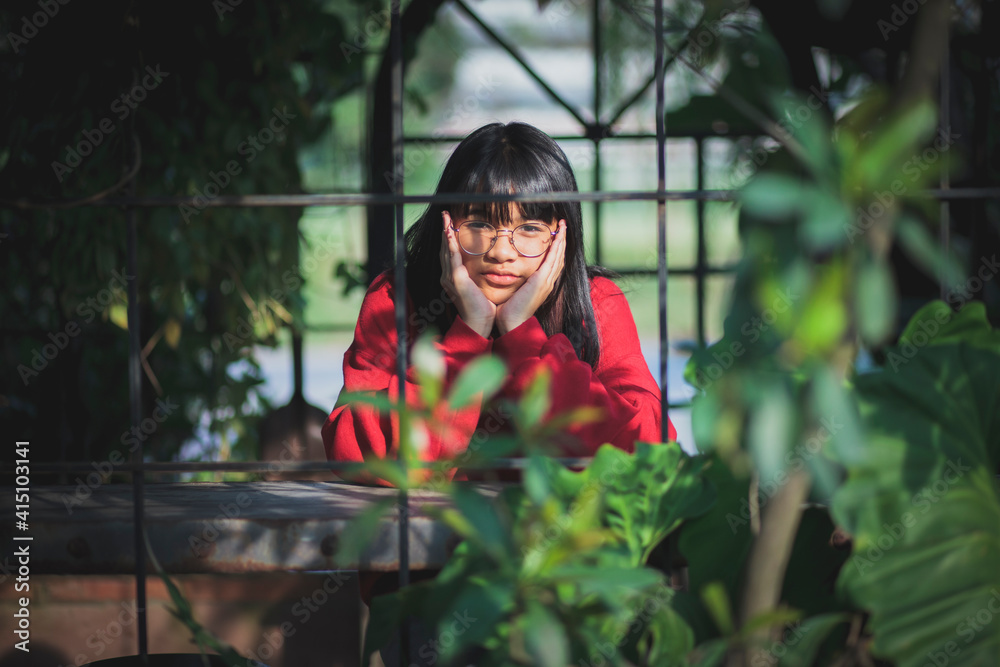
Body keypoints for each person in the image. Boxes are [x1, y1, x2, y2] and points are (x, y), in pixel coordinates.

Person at [321, 121, 675, 477]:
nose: (503, 252)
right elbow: (355, 453)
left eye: (530, 229)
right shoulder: (399, 299)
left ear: (561, 235)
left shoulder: (597, 304)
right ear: (447, 224)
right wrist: (469, 334)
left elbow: (646, 449)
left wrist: (521, 334)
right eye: (479, 224)